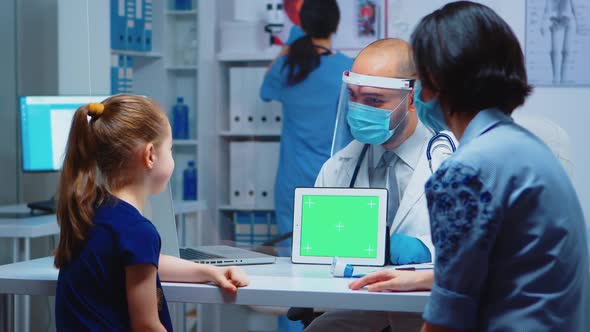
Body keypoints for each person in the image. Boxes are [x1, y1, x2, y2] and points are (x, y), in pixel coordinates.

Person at [408, 2, 589, 331]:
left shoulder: (465, 171)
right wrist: (428, 278)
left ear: (435, 78)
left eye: (418, 78)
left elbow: (447, 323)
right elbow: (519, 267)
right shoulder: (531, 149)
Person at [54, 95, 249, 331]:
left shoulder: (92, 211)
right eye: (170, 149)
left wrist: (210, 271)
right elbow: (146, 326)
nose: (172, 158)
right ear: (150, 155)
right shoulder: (136, 231)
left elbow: (144, 262)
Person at [305, 38, 455, 332]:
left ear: (411, 98)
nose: (360, 109)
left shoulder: (450, 164)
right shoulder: (338, 168)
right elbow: (315, 261)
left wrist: (425, 253)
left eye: (374, 100)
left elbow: (480, 259)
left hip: (431, 313)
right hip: (363, 307)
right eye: (353, 96)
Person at [260, 0, 353, 257]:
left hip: (293, 181)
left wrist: (290, 45)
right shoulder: (348, 68)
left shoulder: (288, 66)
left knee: (292, 264)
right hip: (336, 179)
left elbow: (265, 89)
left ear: (302, 25)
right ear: (335, 25)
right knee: (336, 258)